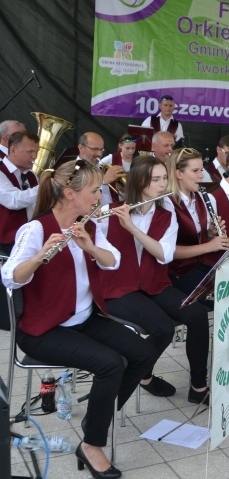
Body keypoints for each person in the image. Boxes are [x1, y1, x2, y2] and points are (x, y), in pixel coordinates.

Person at [1, 159, 158, 479]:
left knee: (142, 354)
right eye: (94, 190)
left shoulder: (89, 224)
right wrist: (39, 255)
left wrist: (89, 245)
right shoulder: (35, 229)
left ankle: (97, 416)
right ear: (70, 194)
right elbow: (9, 278)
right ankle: (91, 444)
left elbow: (112, 260)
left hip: (84, 318)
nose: (100, 195)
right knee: (111, 363)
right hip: (44, 328)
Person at [98, 156, 212, 404]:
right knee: (163, 328)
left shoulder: (166, 212)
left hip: (154, 283)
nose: (162, 185)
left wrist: (133, 229)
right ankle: (143, 376)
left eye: (164, 179)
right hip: (119, 289)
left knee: (198, 314)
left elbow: (164, 255)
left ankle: (198, 385)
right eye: (156, 180)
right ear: (139, 182)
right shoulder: (109, 213)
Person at [166, 147, 229, 296]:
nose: (201, 176)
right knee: (220, 297)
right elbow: (169, 251)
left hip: (202, 265)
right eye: (195, 171)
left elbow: (197, 235)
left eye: (201, 170)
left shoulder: (202, 197)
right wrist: (210, 246)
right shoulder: (167, 203)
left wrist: (211, 232)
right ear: (179, 173)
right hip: (178, 272)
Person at [0, 131, 40, 255]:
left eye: (36, 152)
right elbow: (14, 200)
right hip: (6, 241)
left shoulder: (31, 175)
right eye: (30, 152)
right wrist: (45, 187)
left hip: (28, 236)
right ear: (13, 150)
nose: (34, 156)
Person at [78, 132, 119, 206]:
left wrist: (121, 189)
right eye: (95, 149)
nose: (99, 154)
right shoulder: (74, 169)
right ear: (81, 148)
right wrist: (104, 182)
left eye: (101, 150)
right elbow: (79, 198)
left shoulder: (101, 166)